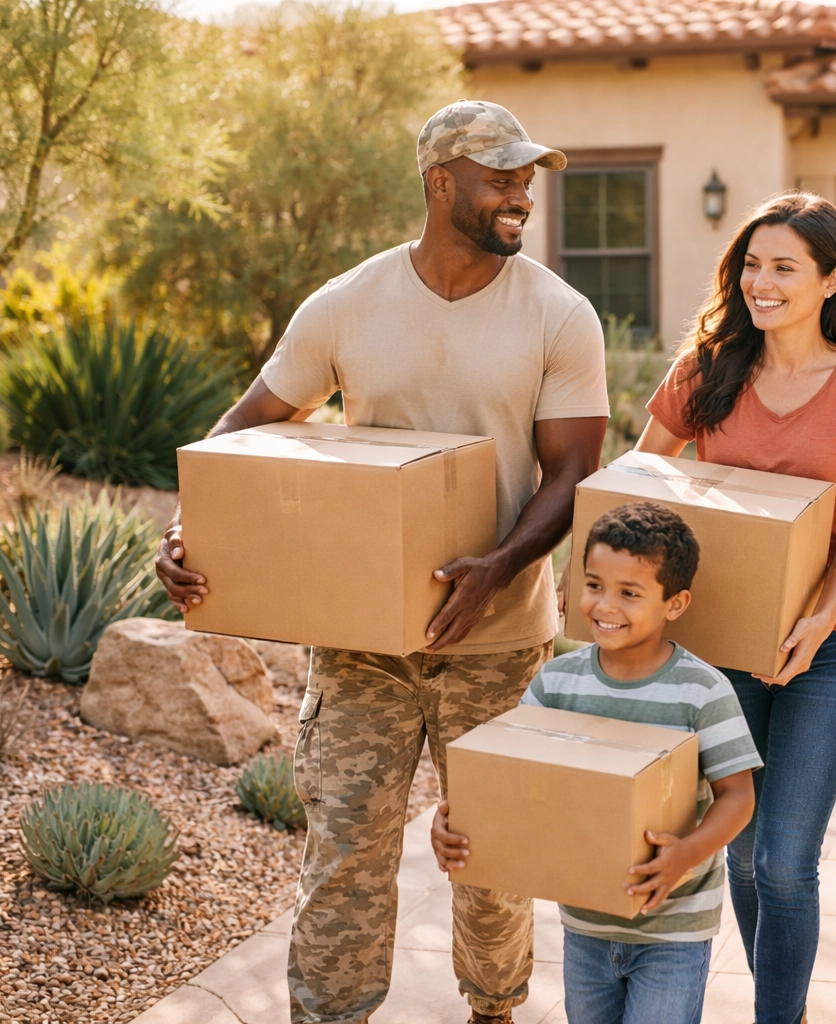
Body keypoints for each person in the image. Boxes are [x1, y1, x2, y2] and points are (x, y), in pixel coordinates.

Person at [154, 100, 610, 1024]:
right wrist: (188, 530)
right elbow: (245, 430)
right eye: (502, 175)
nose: (523, 192)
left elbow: (572, 474)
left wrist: (499, 567)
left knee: (493, 857)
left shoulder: (560, 315)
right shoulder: (348, 303)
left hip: (497, 643)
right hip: (361, 645)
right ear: (441, 183)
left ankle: (495, 1011)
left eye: (528, 176)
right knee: (345, 854)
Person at [634, 192, 836, 1024]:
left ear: (831, 280)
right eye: (751, 265)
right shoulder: (705, 370)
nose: (762, 282)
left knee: (788, 859)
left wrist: (815, 624)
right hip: (724, 647)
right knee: (748, 857)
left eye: (784, 267)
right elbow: (642, 482)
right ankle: (775, 1006)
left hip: (832, 646)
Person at [431, 502, 762, 1024]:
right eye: (593, 584)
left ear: (675, 604)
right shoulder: (557, 683)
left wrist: (687, 853)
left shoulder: (701, 691)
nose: (606, 605)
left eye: (630, 593)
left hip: (673, 926)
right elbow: (515, 773)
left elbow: (738, 797)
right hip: (585, 923)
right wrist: (453, 818)